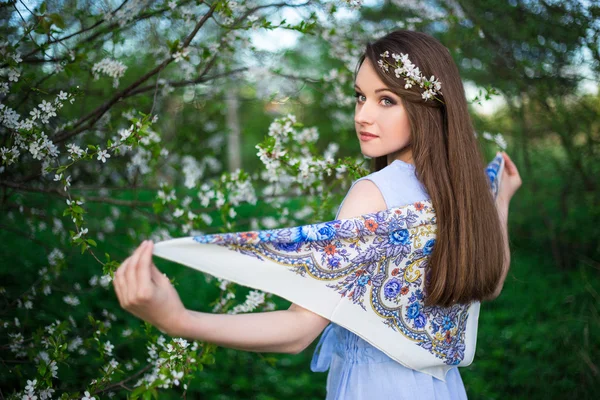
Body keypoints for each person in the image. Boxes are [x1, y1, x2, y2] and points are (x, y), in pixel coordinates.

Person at [113, 30, 522, 399]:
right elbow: (492, 278)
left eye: (386, 100)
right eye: (360, 96)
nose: (363, 114)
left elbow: (297, 331)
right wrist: (499, 200)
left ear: (428, 106)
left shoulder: (374, 193)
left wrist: (178, 320)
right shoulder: (462, 195)